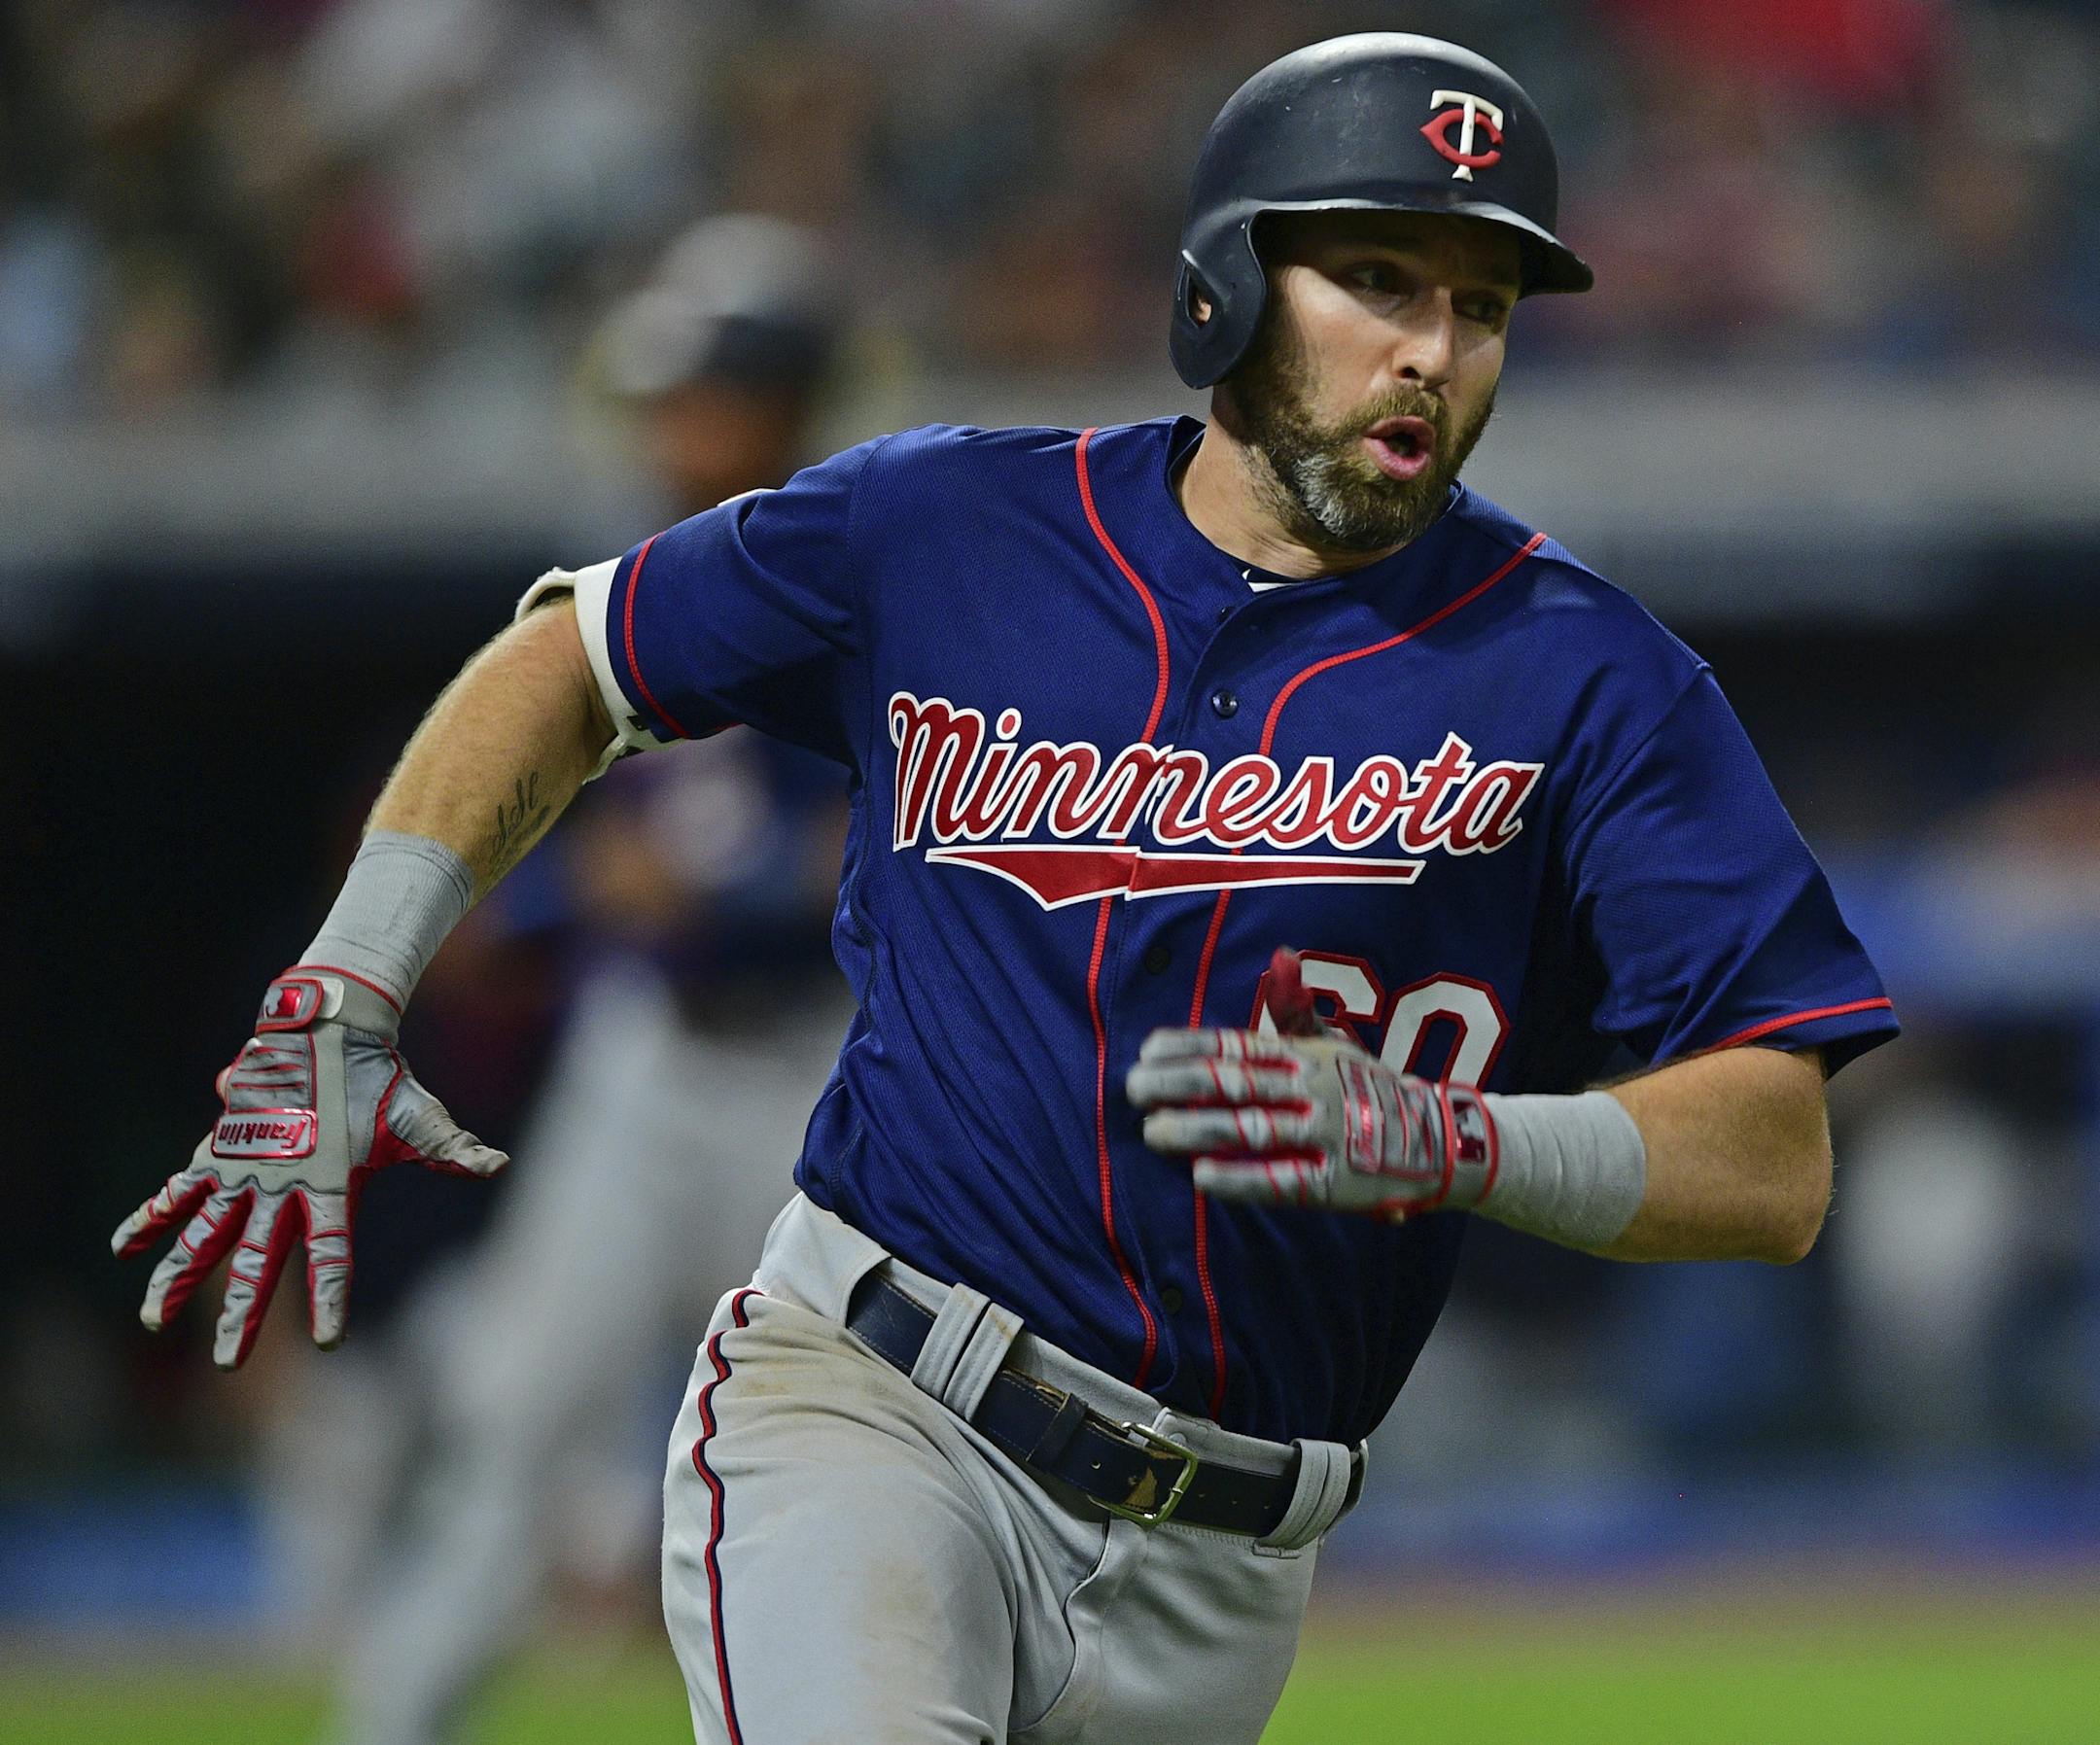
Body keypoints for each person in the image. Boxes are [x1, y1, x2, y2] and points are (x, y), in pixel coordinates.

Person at [114, 35, 1898, 1745]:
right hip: (879, 1411)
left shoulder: (1588, 675)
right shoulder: (948, 533)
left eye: (1480, 306)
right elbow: (571, 654)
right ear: (1225, 287)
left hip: (1229, 1564)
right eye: (1378, 281)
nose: (1432, 350)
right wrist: (357, 971)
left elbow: (1775, 1155)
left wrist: (1469, 1145)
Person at [294, 214, 854, 1745]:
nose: (671, 431)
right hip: (646, 1058)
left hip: (818, 1071)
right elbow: (541, 865)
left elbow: (859, 864)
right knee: (514, 1415)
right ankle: (389, 1723)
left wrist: (708, 884)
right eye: (664, 399)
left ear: (784, 400)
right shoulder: (627, 598)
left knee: (856, 1443)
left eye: (705, 395)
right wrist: (546, 899)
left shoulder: (871, 587)